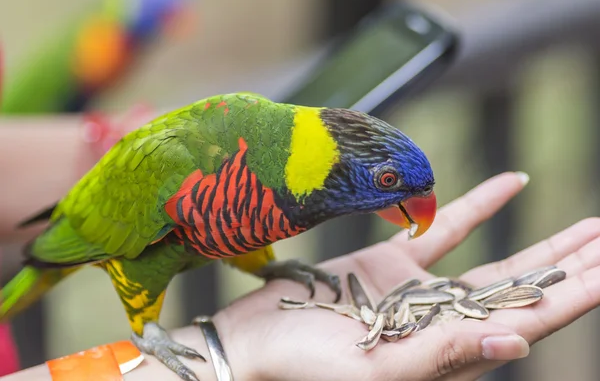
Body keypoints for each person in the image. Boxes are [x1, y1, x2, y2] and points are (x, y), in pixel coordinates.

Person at [4, 171, 600, 380]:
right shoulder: (214, 180)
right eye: (388, 185)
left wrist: (236, 347)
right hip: (102, 241)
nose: (411, 206)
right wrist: (170, 341)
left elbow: (224, 231)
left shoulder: (267, 198)